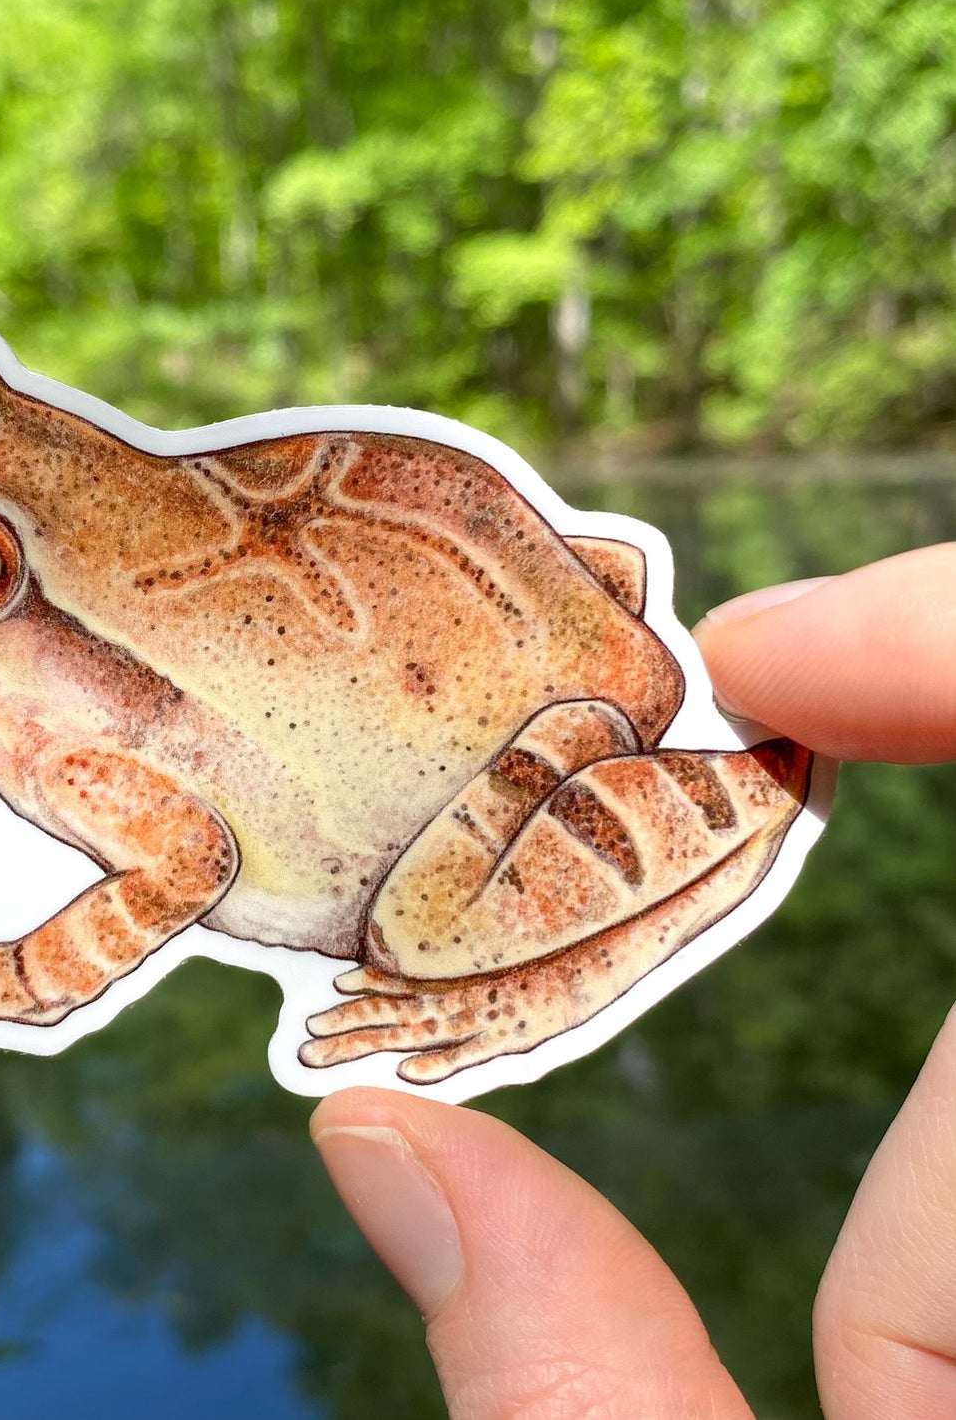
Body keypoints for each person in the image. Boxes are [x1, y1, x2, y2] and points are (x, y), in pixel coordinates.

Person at [312, 542, 956, 1420]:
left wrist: (537, 990)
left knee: (413, 927)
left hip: (543, 747)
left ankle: (513, 974)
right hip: (510, 701)